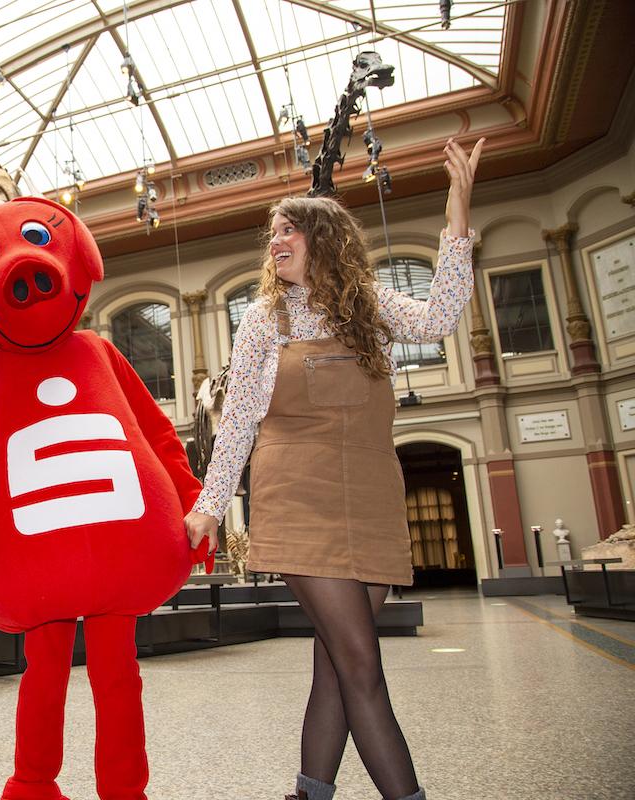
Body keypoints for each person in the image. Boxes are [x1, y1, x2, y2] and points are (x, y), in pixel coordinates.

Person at [185, 137, 484, 800]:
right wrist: (209, 505)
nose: (275, 240)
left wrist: (457, 212)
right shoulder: (266, 318)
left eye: (287, 229)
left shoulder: (369, 304)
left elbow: (438, 318)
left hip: (373, 493)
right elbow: (236, 420)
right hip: (298, 491)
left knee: (335, 665)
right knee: (361, 663)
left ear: (323, 236)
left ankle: (307, 793)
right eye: (271, 232)